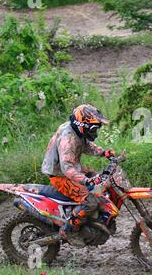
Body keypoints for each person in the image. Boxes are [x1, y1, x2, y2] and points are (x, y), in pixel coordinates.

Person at [41, 104, 116, 246]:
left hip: (73, 169)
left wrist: (103, 152)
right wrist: (86, 181)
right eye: (94, 128)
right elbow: (67, 168)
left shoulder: (78, 132)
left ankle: (94, 220)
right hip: (60, 175)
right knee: (90, 201)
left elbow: (86, 145)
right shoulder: (67, 139)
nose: (96, 131)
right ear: (82, 125)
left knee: (103, 183)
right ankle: (70, 230)